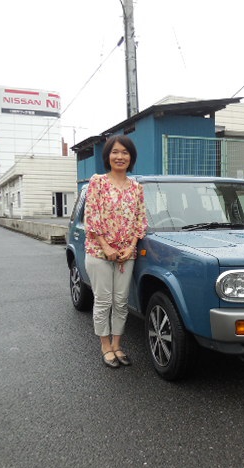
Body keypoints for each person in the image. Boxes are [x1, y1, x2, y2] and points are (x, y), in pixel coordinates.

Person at [83, 135, 148, 369]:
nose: (120, 156)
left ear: (131, 158)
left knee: (121, 302)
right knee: (103, 300)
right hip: (99, 252)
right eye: (115, 152)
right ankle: (105, 346)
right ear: (107, 156)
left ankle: (118, 345)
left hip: (126, 254)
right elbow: (91, 217)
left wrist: (131, 246)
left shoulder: (137, 188)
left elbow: (140, 220)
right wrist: (106, 246)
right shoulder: (98, 182)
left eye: (125, 153)